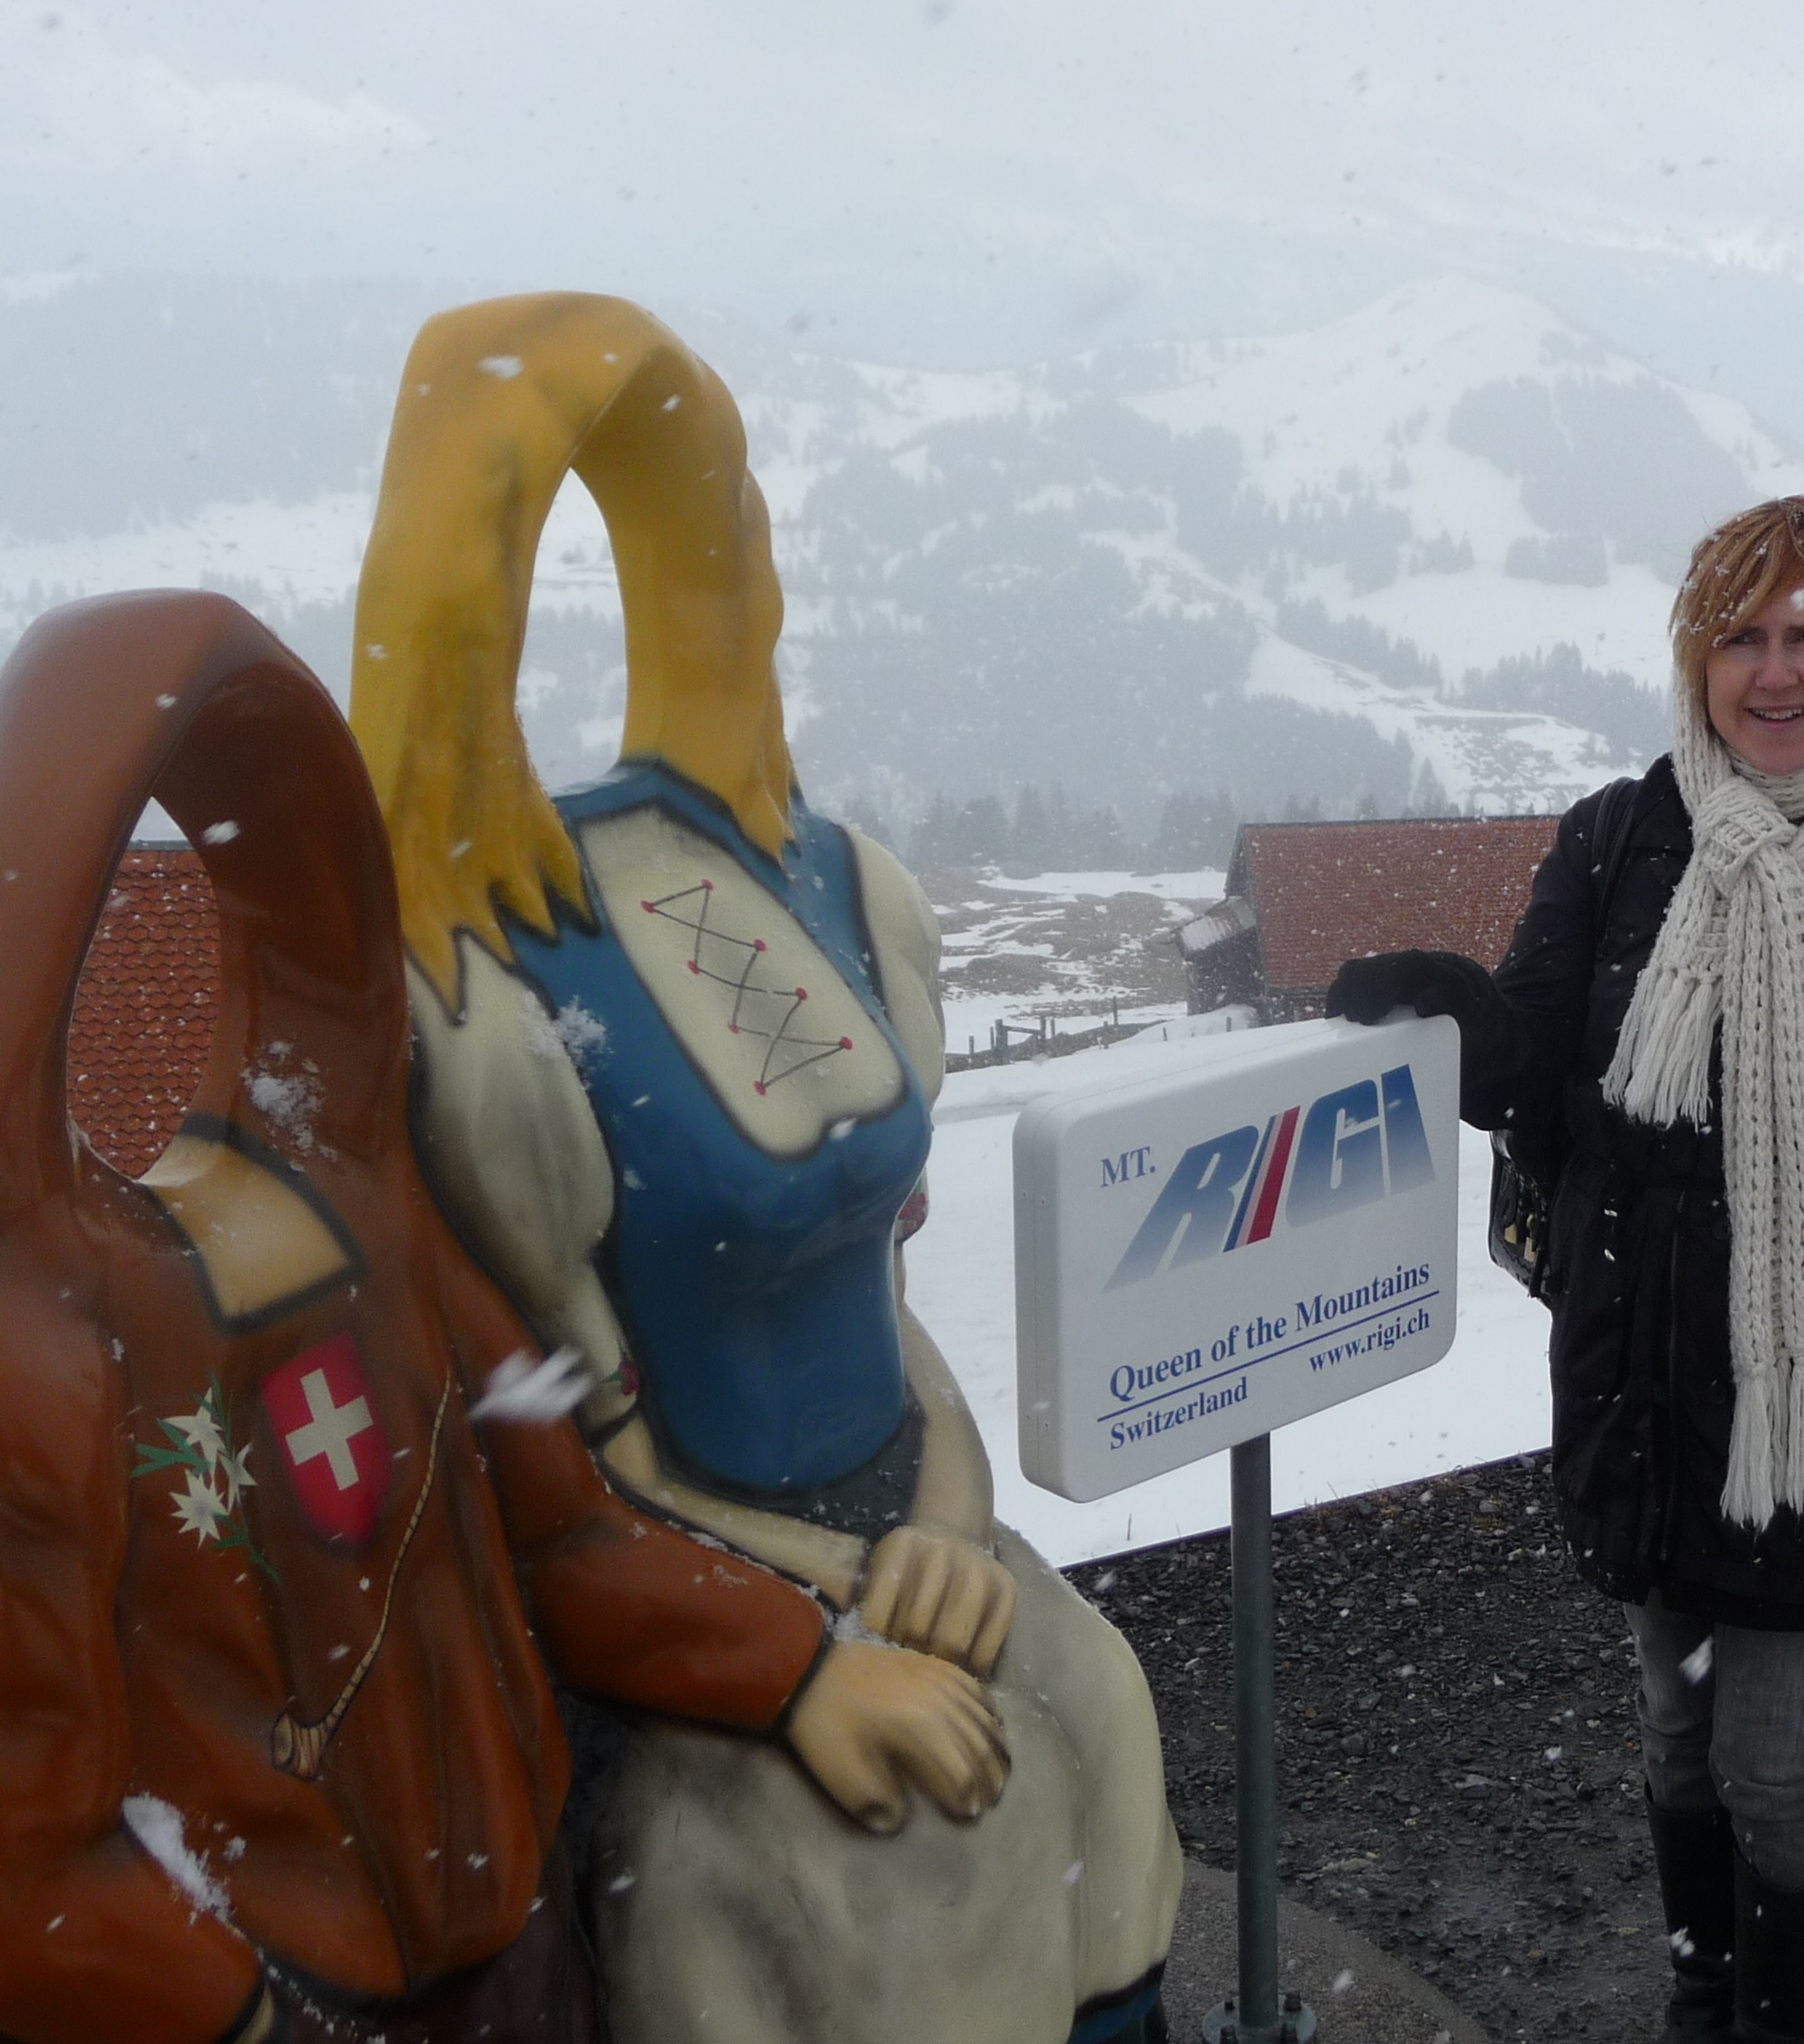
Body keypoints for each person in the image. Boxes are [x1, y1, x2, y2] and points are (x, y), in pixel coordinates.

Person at [0, 590, 1003, 2044]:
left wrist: (802, 1673)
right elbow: (30, 1882)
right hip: (286, 1999)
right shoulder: (36, 1371)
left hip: (518, 1958)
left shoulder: (371, 1228)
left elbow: (568, 1540)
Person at [346, 295, 1179, 2044]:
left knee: (1102, 1714)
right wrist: (817, 1619)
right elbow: (576, 1460)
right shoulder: (487, 1015)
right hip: (701, 1598)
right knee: (885, 1873)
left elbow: (886, 1296)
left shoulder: (849, 886)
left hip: (909, 1525)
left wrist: (940, 1522)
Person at [1332, 494, 1804, 2044]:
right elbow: (1535, 1067)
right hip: (1639, 1378)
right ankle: (1704, 1990)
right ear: (1694, 658)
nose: (1773, 672)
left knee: (1773, 1767)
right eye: (1740, 636)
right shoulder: (1619, 839)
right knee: (1674, 1733)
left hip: (1803, 1398)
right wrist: (1448, 1002)